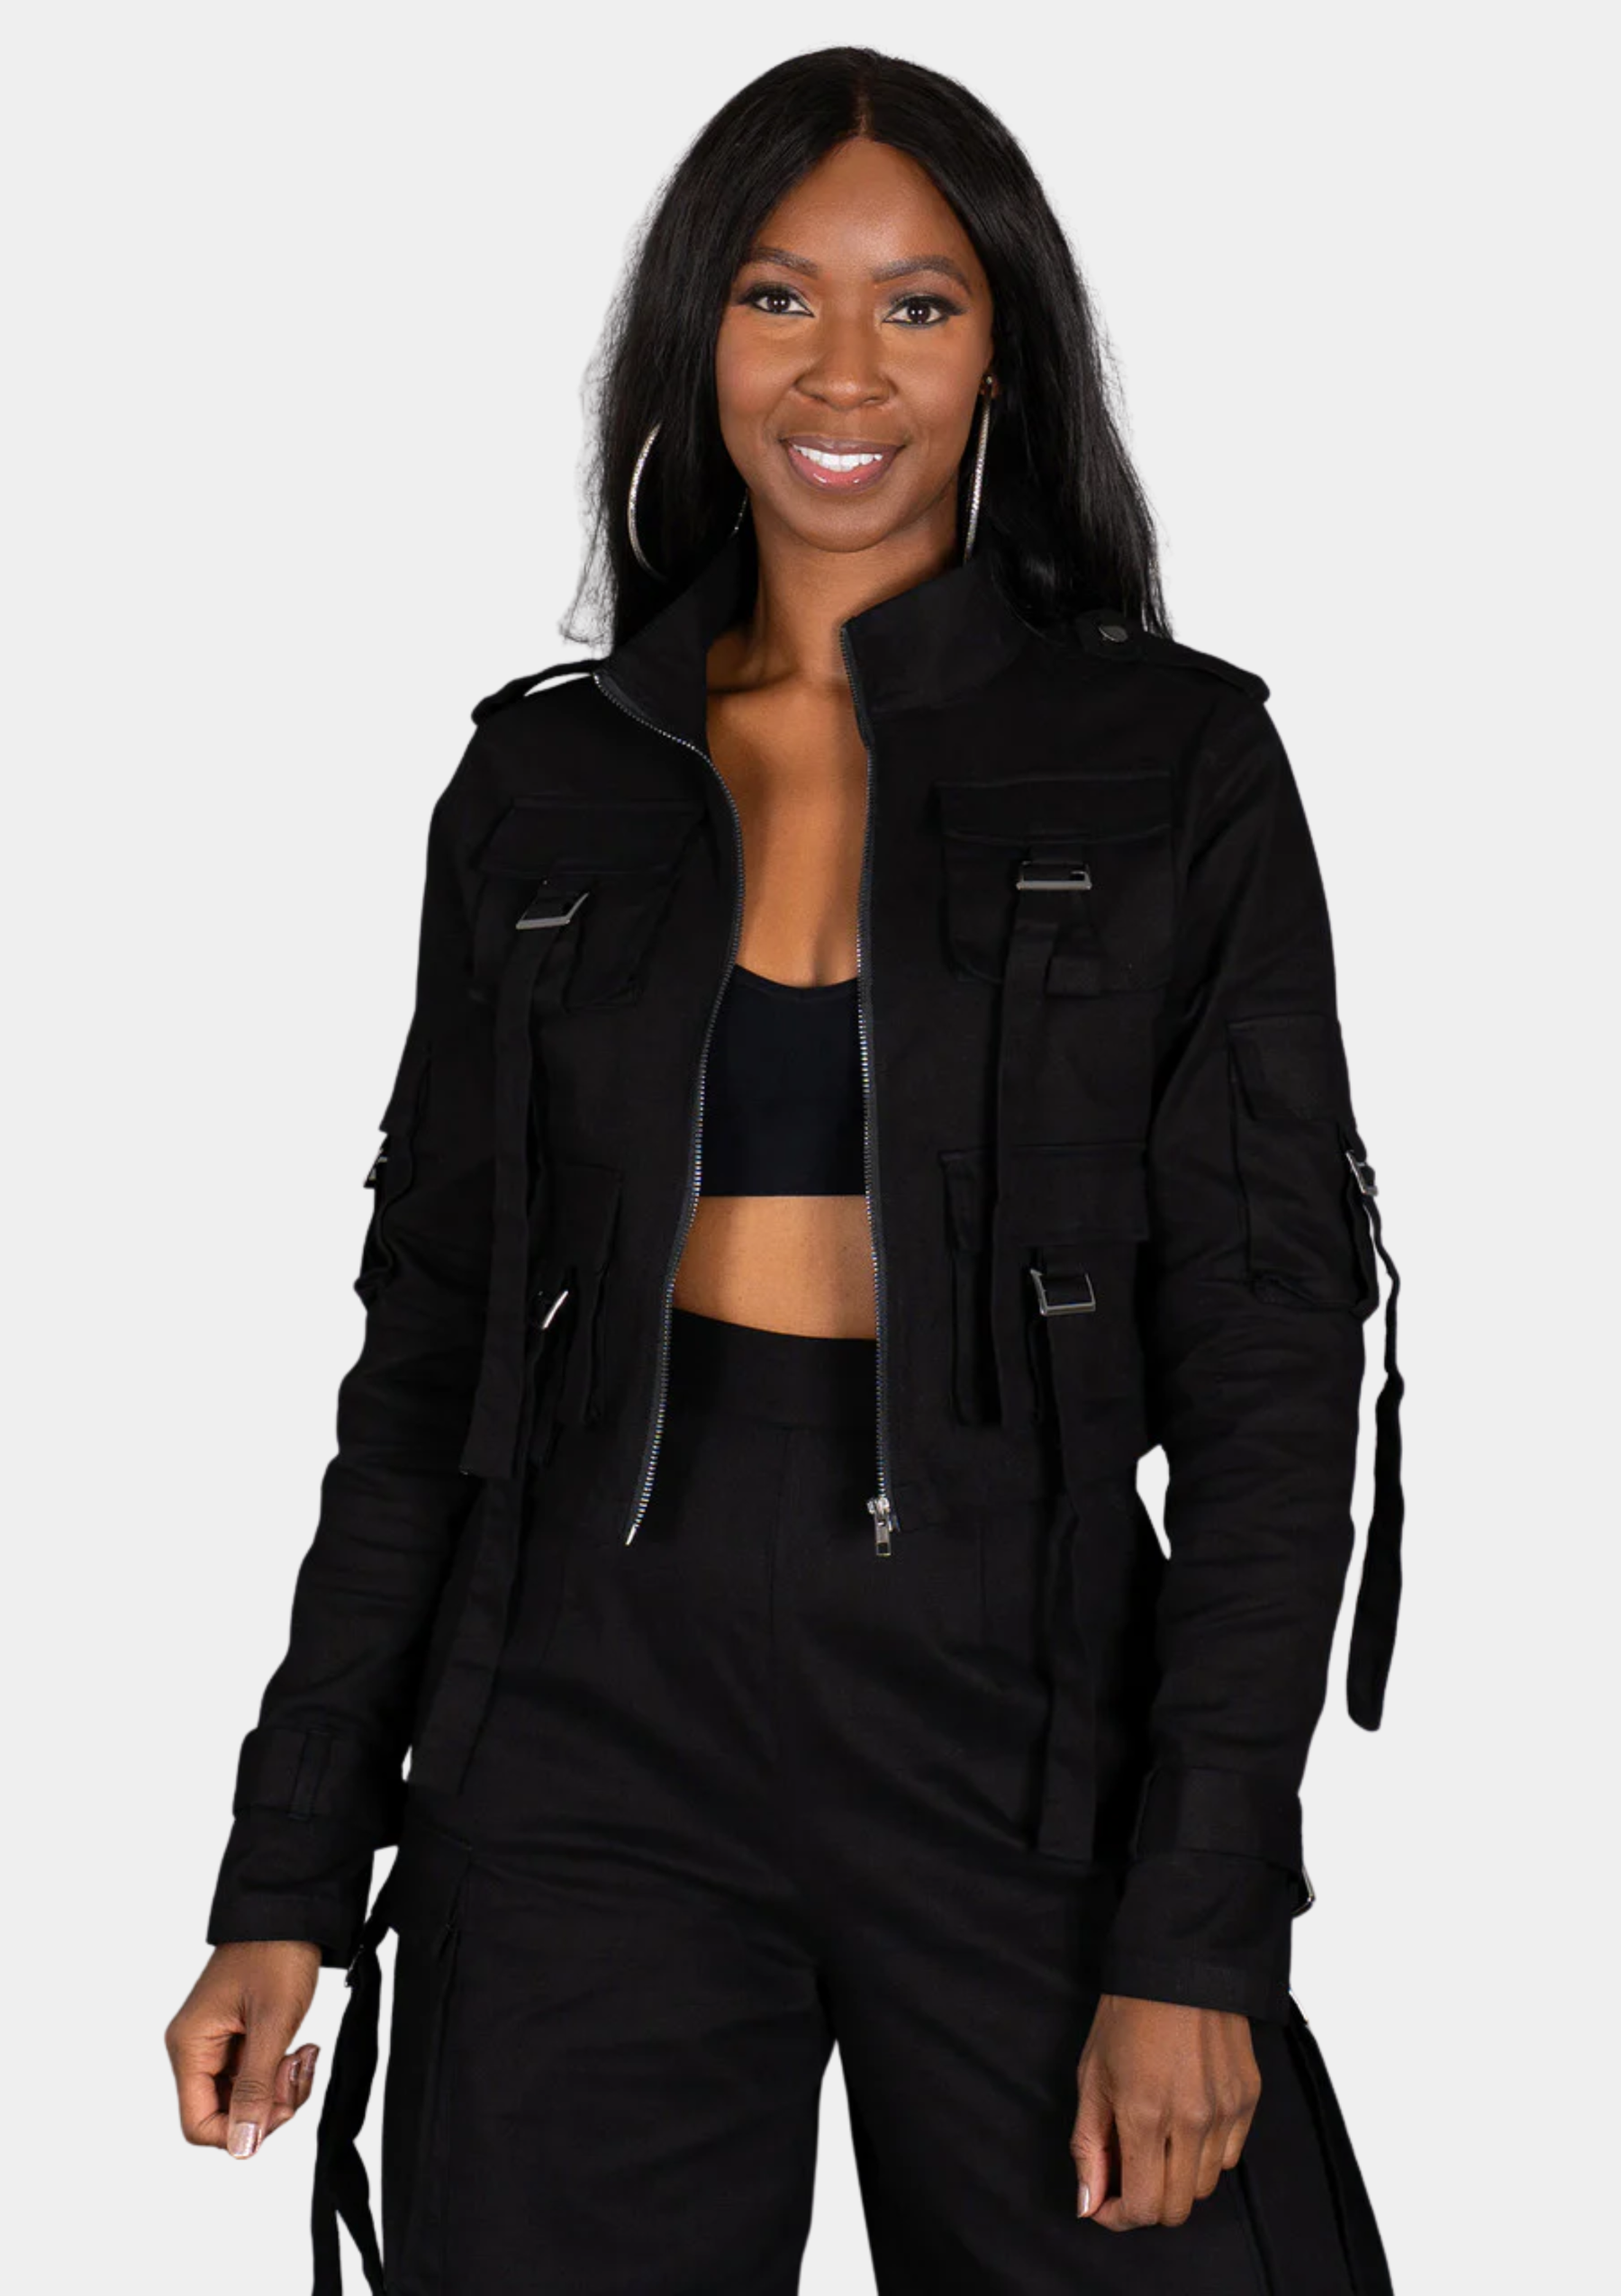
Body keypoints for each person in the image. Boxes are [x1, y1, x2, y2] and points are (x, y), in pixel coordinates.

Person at [165, 45, 1405, 2295]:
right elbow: (428, 1368)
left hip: (1018, 1689)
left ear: (1005, 349)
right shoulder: (542, 788)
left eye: (918, 304)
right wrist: (287, 1872)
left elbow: (1269, 1372)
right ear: (694, 341)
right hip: (582, 1703)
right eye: (775, 297)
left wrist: (1199, 1923)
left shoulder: (1176, 763)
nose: (845, 370)